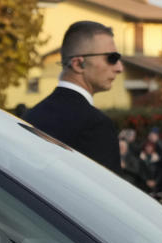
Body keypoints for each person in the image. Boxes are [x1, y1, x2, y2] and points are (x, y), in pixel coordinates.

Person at [24, 21, 124, 174]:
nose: (119, 68)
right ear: (78, 64)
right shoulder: (95, 125)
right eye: (112, 58)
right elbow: (106, 194)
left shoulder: (30, 117)